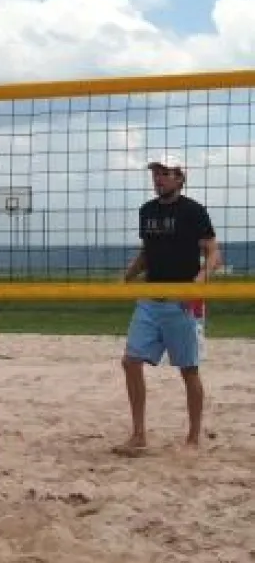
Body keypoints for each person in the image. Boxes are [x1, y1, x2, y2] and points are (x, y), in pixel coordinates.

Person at [115, 157, 222, 455]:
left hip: (182, 302)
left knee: (189, 370)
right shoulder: (147, 211)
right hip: (150, 299)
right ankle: (138, 435)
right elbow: (147, 253)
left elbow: (214, 253)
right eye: (155, 173)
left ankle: (193, 438)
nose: (158, 178)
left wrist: (199, 281)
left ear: (180, 178)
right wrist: (126, 277)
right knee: (130, 362)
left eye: (164, 173)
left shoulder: (193, 211)